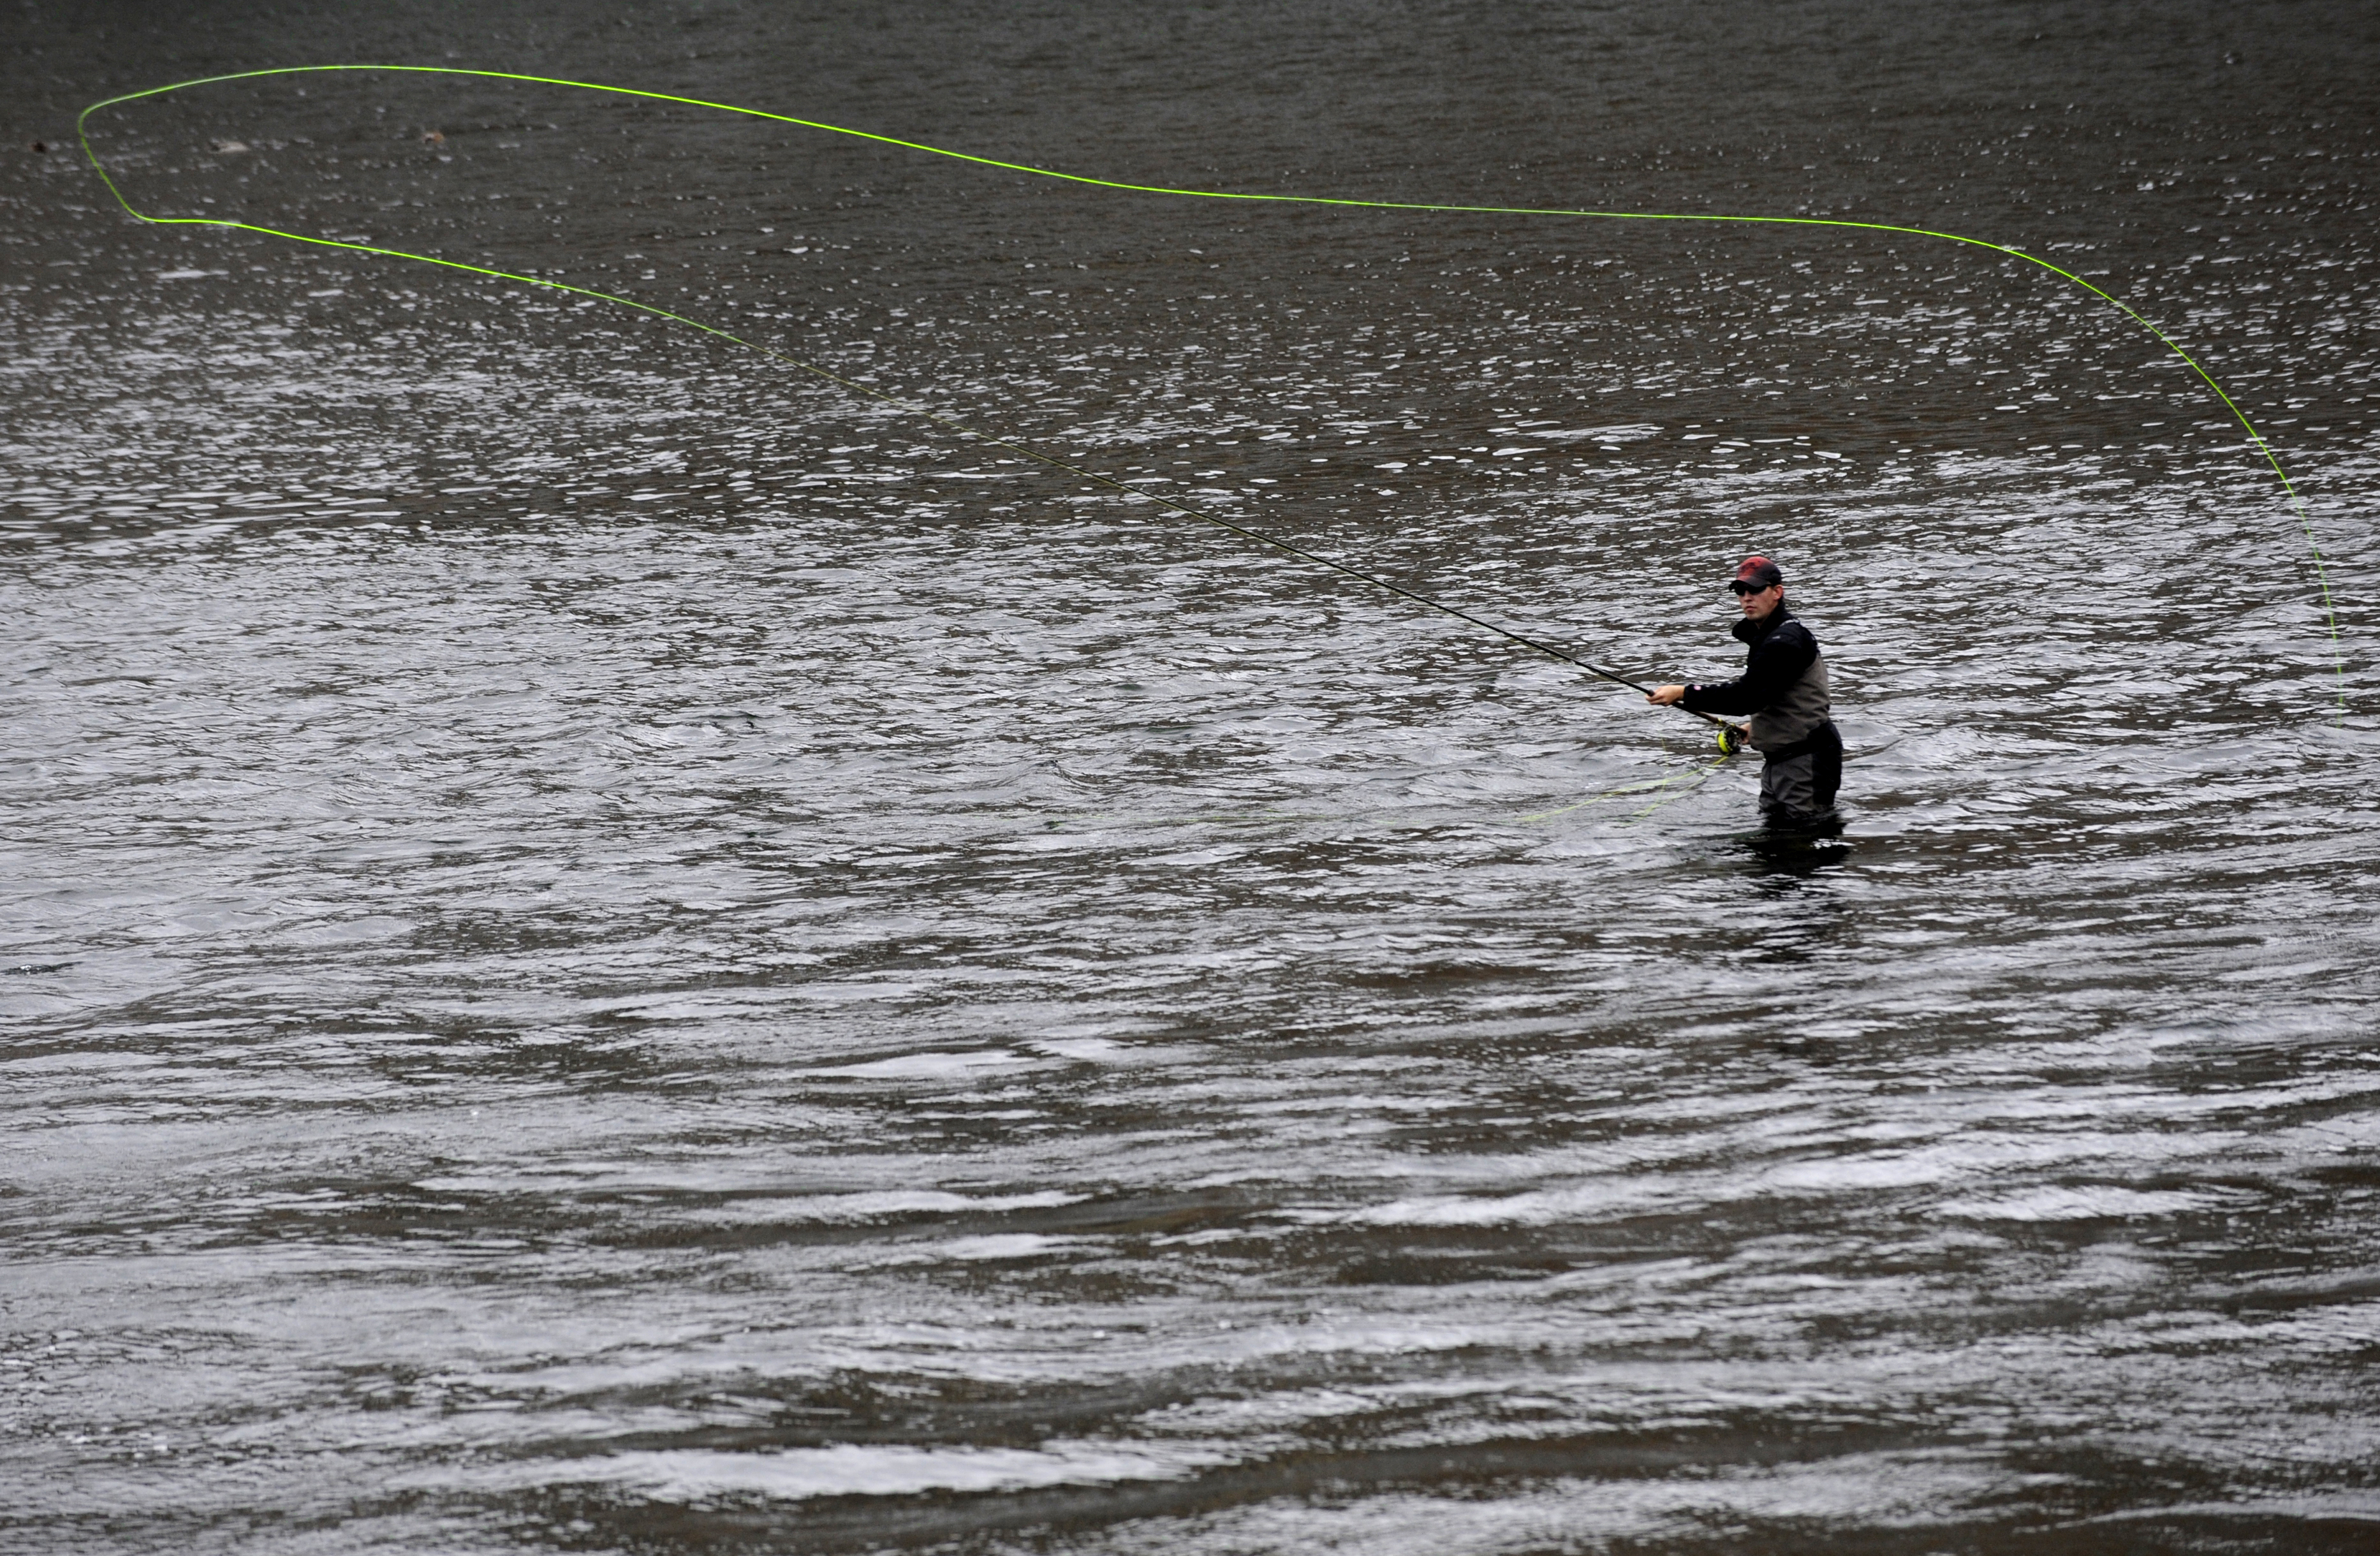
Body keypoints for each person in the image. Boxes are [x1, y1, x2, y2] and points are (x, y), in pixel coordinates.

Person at [1646, 556, 1841, 828]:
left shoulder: (1783, 642)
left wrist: (1683, 692)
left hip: (1805, 762)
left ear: (1777, 592)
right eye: (1741, 591)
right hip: (1784, 760)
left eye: (1756, 590)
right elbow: (1778, 693)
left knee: (1801, 845)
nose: (1747, 597)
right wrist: (1760, 725)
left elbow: (1745, 697)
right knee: (1775, 842)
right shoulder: (1771, 635)